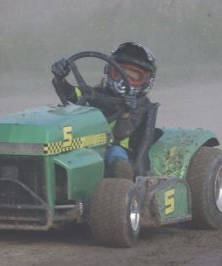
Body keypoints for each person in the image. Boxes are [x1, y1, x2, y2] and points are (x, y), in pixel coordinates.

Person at [51, 42, 157, 179]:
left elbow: (120, 134)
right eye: (119, 72)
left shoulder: (140, 106)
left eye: (134, 77)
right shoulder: (94, 94)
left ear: (146, 81)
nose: (125, 80)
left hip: (119, 148)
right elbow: (70, 93)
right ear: (109, 71)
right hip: (87, 145)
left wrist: (126, 112)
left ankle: (121, 179)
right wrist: (59, 78)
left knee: (115, 154)